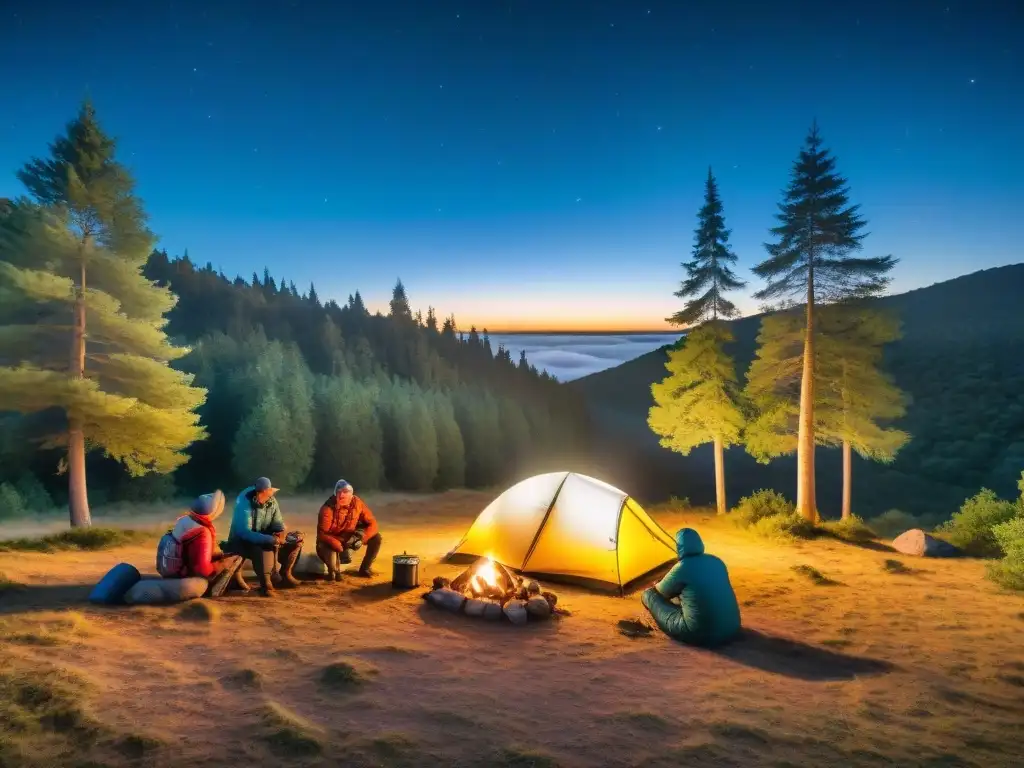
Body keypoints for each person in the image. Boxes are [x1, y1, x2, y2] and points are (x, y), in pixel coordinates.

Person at [640, 527, 741, 647]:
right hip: (732, 628)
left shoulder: (683, 567)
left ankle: (654, 622)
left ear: (678, 547)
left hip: (699, 634)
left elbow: (660, 592)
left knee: (649, 595)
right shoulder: (717, 561)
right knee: (687, 594)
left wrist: (656, 583)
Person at [224, 476, 303, 597]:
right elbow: (244, 532)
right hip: (242, 540)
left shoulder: (272, 501)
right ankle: (265, 584)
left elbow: (278, 522)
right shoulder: (244, 503)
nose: (269, 495)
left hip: (264, 535)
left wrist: (279, 534)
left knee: (296, 540)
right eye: (266, 492)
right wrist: (270, 539)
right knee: (258, 549)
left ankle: (285, 574)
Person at [168, 490, 246, 597]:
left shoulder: (185, 520)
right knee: (236, 558)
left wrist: (221, 555)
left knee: (228, 556)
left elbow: (194, 551)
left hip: (180, 566)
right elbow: (202, 568)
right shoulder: (202, 531)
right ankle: (215, 590)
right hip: (190, 573)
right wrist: (222, 564)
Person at [316, 479, 382, 580]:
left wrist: (362, 538)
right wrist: (338, 545)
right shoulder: (327, 509)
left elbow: (372, 523)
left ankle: (365, 569)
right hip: (332, 542)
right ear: (335, 494)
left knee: (376, 538)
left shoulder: (357, 503)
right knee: (335, 575)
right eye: (339, 492)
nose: (341, 495)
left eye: (345, 492)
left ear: (351, 494)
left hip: (349, 538)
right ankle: (333, 570)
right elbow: (322, 534)